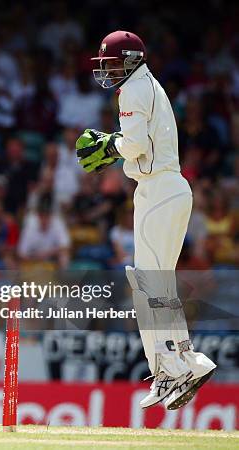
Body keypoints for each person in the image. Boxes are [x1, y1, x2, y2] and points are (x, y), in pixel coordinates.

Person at [76, 31, 216, 411]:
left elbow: (134, 145)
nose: (107, 69)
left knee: (148, 285)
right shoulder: (145, 83)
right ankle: (182, 363)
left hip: (158, 189)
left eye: (112, 62)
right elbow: (138, 141)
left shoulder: (133, 89)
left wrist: (108, 144)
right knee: (157, 284)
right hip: (164, 189)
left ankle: (174, 366)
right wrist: (114, 142)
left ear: (132, 59)